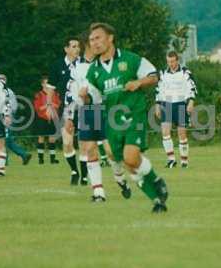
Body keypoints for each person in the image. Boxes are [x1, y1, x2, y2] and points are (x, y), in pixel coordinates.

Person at [80, 22, 169, 213]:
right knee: (129, 163)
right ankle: (157, 199)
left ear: (110, 38)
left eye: (98, 38)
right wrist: (85, 97)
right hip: (112, 121)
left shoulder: (130, 59)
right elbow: (94, 100)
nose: (94, 43)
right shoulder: (93, 71)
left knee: (130, 157)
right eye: (91, 40)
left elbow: (154, 76)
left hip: (133, 116)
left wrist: (138, 82)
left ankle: (154, 182)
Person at [66, 33, 131, 201]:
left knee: (110, 152)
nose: (97, 44)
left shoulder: (104, 64)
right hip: (87, 111)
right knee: (90, 151)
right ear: (86, 45)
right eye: (93, 41)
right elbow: (71, 93)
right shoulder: (76, 68)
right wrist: (69, 117)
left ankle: (120, 179)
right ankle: (98, 193)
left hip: (105, 109)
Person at [48, 37, 82, 184]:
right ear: (66, 49)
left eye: (78, 46)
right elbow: (51, 88)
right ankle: (75, 171)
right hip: (66, 107)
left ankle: (86, 175)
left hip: (85, 106)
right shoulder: (57, 66)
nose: (77, 49)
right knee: (67, 142)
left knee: (85, 142)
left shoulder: (84, 64)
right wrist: (49, 106)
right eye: (73, 46)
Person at [155, 51, 197, 169]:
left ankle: (184, 161)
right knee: (165, 133)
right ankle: (171, 160)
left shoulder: (185, 72)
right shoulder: (163, 73)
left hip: (180, 104)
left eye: (173, 61)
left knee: (182, 134)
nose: (171, 64)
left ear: (177, 60)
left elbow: (192, 88)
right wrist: (158, 105)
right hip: (166, 104)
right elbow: (159, 90)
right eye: (169, 62)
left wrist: (191, 102)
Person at [0, 75, 32, 166]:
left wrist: (9, 115)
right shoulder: (5, 91)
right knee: (7, 140)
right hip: (3, 116)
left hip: (6, 116)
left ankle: (5, 161)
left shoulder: (8, 92)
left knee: (5, 138)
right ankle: (24, 155)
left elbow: (13, 106)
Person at [33, 75, 61, 165]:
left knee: (52, 138)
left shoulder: (55, 94)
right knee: (41, 137)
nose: (47, 86)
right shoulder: (39, 95)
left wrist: (51, 104)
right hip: (42, 118)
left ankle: (53, 159)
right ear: (42, 84)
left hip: (52, 118)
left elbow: (58, 105)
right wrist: (47, 105)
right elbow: (37, 108)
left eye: (48, 84)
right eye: (45, 83)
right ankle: (40, 159)